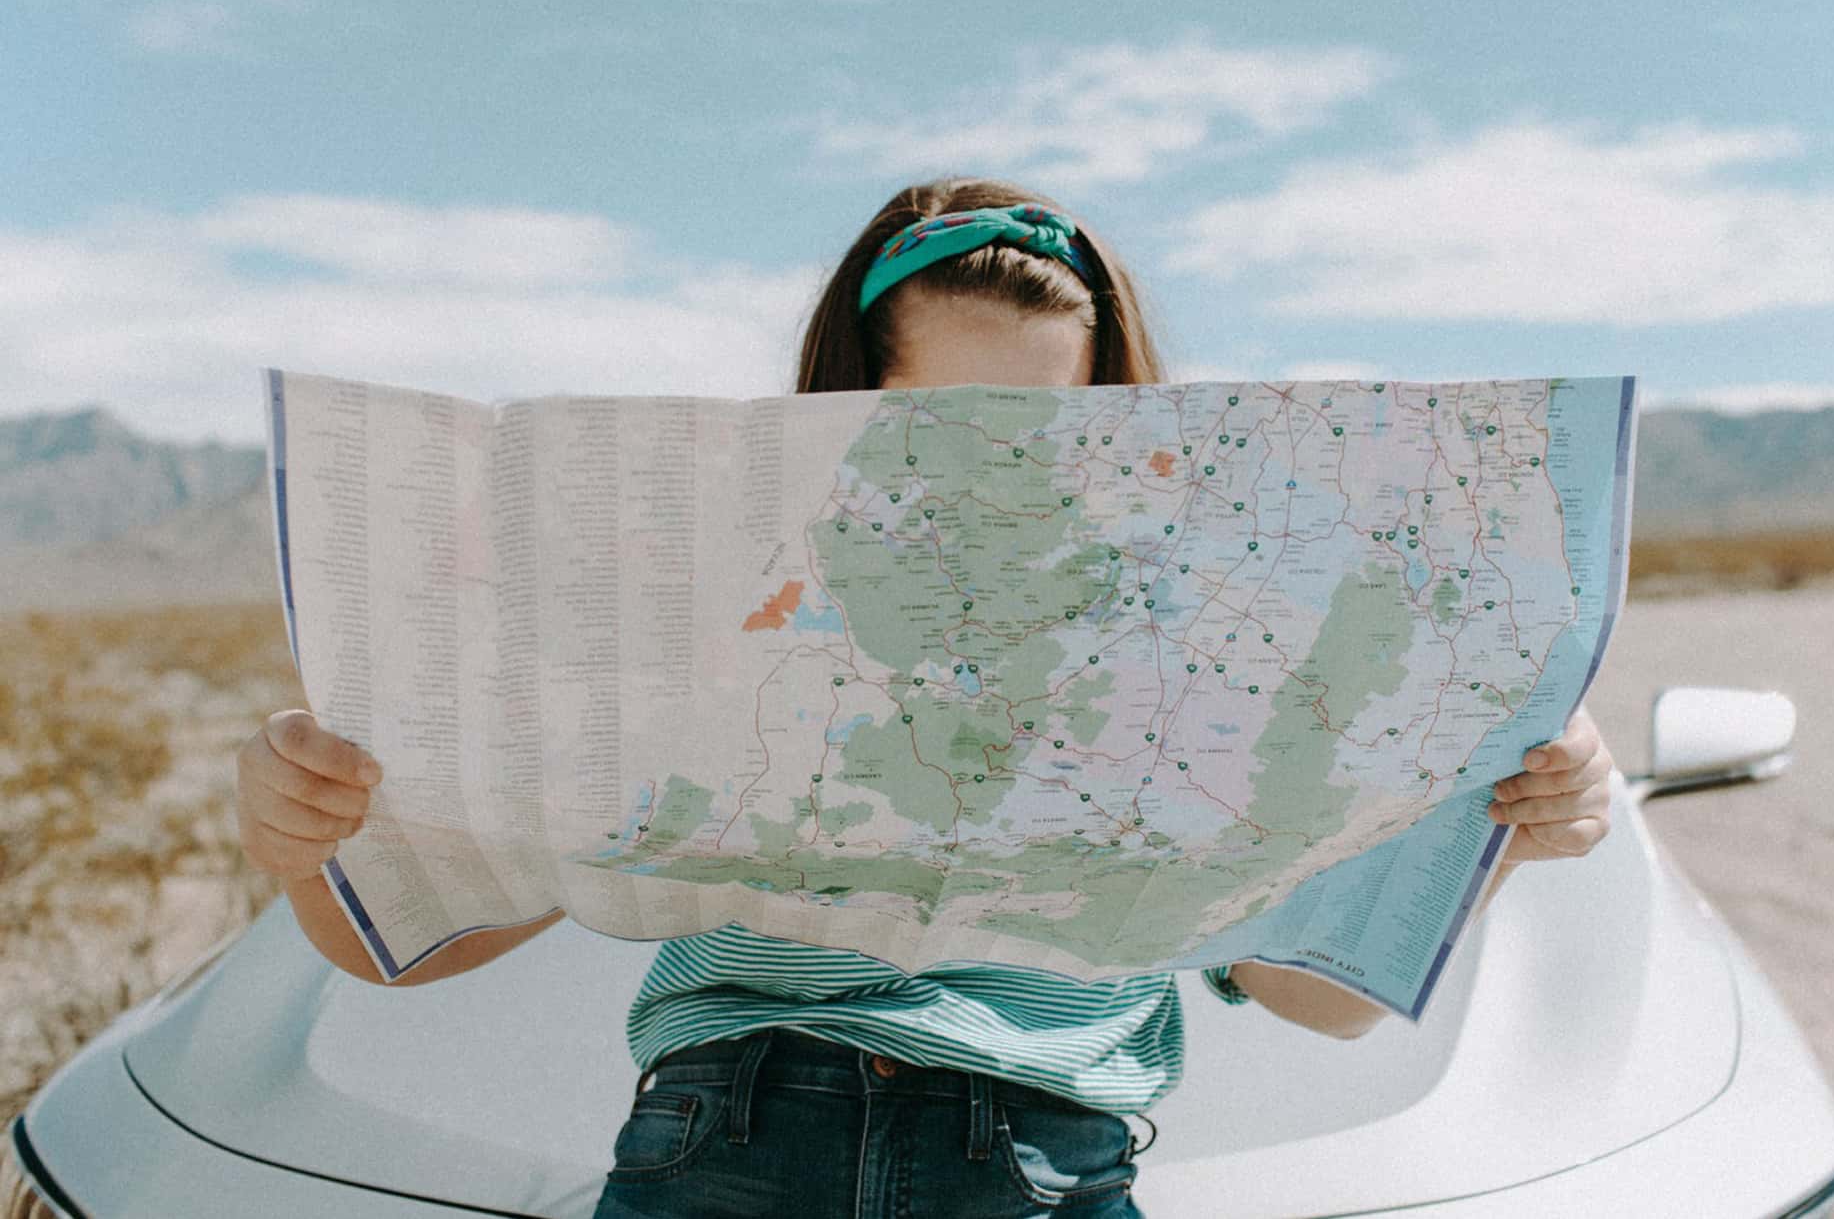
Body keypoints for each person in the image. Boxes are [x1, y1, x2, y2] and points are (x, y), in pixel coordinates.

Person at [235, 176, 1617, 1218]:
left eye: (1042, 432)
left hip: (1042, 1162)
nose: (987, 476)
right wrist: (309, 836)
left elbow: (1317, 1001)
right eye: (934, 428)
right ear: (844, 405)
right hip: (724, 1142)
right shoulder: (723, 593)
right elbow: (410, 940)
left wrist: (1499, 820)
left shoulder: (1208, 629)